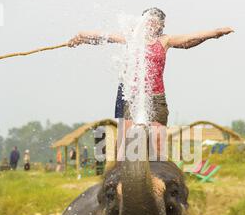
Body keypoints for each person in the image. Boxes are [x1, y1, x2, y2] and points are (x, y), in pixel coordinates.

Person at [69, 8, 234, 156]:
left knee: (156, 150)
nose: (150, 25)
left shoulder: (164, 40)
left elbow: (189, 41)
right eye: (148, 22)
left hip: (156, 98)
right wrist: (81, 37)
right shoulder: (131, 38)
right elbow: (103, 37)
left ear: (161, 26)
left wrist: (215, 33)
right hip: (133, 98)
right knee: (129, 150)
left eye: (155, 23)